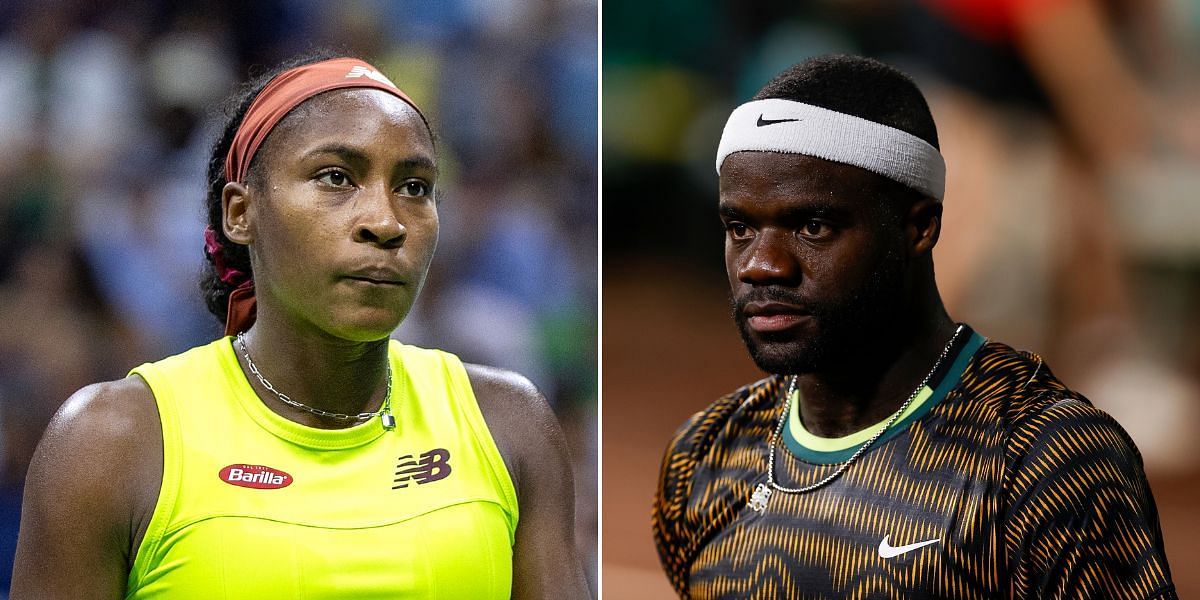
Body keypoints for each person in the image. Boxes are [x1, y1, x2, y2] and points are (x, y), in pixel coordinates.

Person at [11, 54, 589, 599]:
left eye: (414, 187)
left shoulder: (510, 425)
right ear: (241, 212)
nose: (386, 222)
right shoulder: (110, 442)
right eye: (336, 177)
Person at [652, 55, 1176, 599]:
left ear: (920, 227)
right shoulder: (704, 457)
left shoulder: (1041, 461)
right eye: (740, 227)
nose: (762, 265)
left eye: (812, 225)